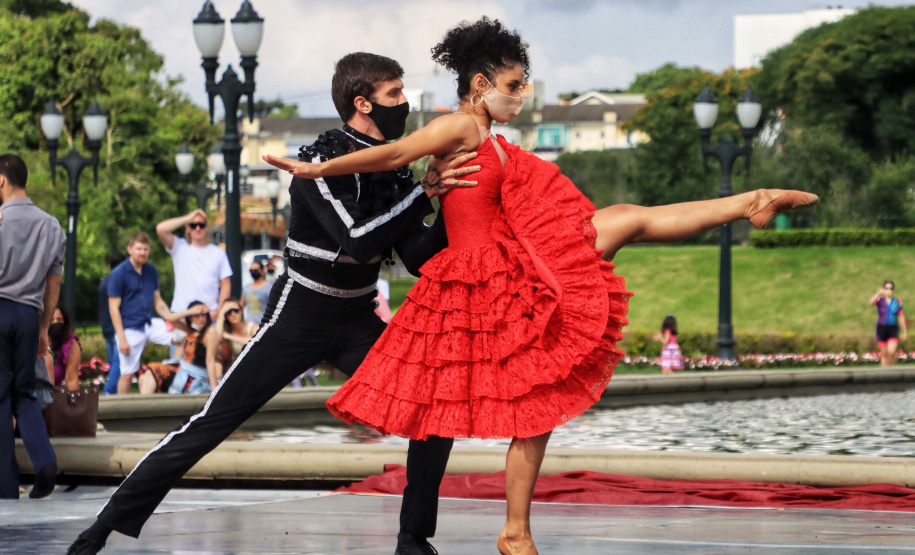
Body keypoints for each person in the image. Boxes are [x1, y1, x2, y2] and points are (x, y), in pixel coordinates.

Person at [265, 19, 819, 555]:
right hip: (479, 280)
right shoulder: (458, 127)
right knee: (537, 392)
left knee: (626, 220)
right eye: (513, 85)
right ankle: (512, 533)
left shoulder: (494, 139)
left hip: (514, 257)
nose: (523, 95)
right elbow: (393, 153)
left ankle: (750, 201)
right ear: (480, 86)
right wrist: (318, 171)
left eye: (524, 83)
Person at [68, 52, 480, 555]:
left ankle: (413, 540)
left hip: (356, 316)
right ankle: (102, 528)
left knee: (435, 404)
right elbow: (356, 241)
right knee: (211, 423)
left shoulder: (395, 172)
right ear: (362, 102)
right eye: (394, 94)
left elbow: (414, 257)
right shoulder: (316, 162)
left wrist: (451, 203)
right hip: (299, 314)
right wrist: (423, 194)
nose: (405, 103)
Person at [0, 153, 65, 500]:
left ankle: (4, 484)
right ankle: (44, 462)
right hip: (28, 314)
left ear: (1, 181)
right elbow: (53, 282)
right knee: (25, 393)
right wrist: (43, 327)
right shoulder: (51, 225)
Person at [108, 232, 194, 395]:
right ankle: (122, 410)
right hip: (129, 327)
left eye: (145, 249)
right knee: (127, 375)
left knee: (184, 334)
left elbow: (158, 300)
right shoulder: (119, 274)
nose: (142, 252)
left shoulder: (151, 271)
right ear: (130, 249)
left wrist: (169, 318)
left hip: (148, 323)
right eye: (139, 249)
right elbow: (113, 308)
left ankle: (172, 368)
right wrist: (122, 338)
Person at [155, 208, 232, 318]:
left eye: (201, 225)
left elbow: (225, 284)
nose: (197, 228)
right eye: (193, 225)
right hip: (182, 314)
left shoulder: (218, 252)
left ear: (206, 227)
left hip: (208, 315)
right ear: (188, 228)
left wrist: (220, 311)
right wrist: (188, 217)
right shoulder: (180, 247)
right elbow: (161, 229)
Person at [138, 301, 227, 395]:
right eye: (196, 315)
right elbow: (169, 318)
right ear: (190, 318)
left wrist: (214, 389)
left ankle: (143, 408)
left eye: (204, 315)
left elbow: (210, 361)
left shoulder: (210, 332)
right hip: (182, 370)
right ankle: (145, 408)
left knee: (154, 369)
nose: (201, 319)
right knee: (143, 377)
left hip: (195, 376)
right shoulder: (191, 329)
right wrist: (189, 312)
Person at [99, 253, 127, 395]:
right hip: (118, 329)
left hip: (106, 328)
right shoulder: (120, 283)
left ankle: (113, 391)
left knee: (113, 363)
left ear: (109, 265)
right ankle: (109, 391)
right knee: (118, 363)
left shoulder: (103, 283)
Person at [870, 280, 907, 366]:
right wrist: (878, 293)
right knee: (885, 354)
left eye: (891, 288)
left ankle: (893, 371)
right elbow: (871, 303)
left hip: (893, 328)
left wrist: (905, 332)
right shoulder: (879, 300)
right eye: (887, 288)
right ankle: (884, 374)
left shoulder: (897, 301)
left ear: (893, 290)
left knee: (892, 352)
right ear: (884, 289)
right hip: (881, 328)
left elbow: (901, 316)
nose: (889, 290)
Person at [45, 304, 82, 391]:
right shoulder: (35, 341)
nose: (55, 323)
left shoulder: (70, 343)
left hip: (55, 397)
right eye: (51, 320)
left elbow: (72, 380)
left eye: (59, 320)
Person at [214, 297, 257, 364]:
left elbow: (255, 343)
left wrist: (228, 336)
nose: (233, 314)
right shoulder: (225, 329)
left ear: (241, 311)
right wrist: (221, 312)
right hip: (236, 366)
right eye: (228, 312)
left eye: (236, 310)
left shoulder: (252, 326)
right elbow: (216, 339)